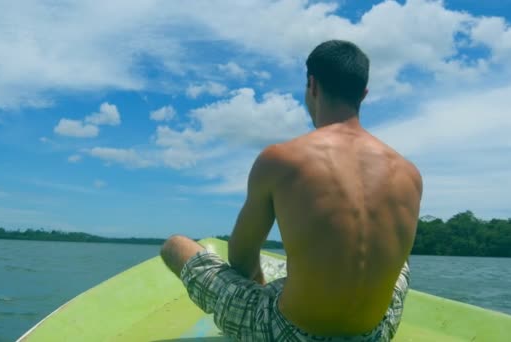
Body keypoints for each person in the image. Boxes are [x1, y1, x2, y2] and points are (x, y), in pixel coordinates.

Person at [160, 40, 423, 341]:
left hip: (286, 332)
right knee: (400, 263)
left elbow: (242, 259)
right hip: (374, 333)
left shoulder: (281, 159)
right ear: (363, 94)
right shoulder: (409, 173)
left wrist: (258, 294)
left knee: (176, 245)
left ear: (312, 85)